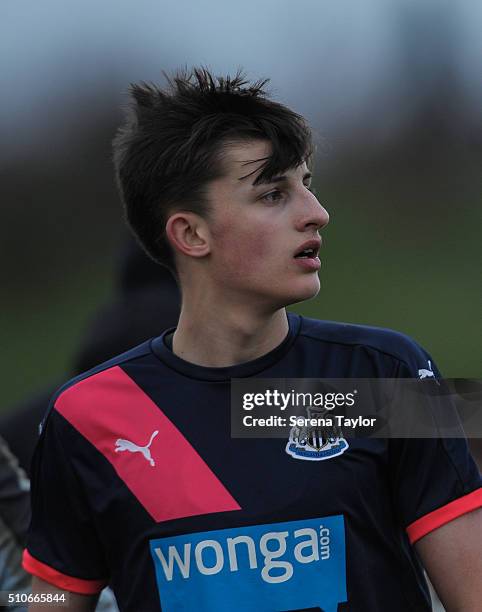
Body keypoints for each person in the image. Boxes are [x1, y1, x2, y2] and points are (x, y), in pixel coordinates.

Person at [24, 68, 481, 611]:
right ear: (191, 234)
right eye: (272, 194)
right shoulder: (87, 416)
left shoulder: (382, 375)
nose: (317, 214)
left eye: (306, 185)